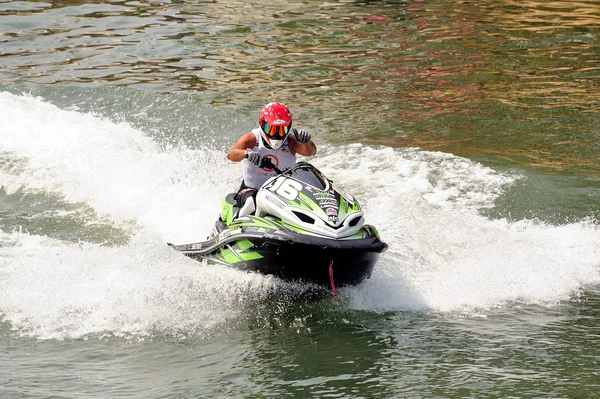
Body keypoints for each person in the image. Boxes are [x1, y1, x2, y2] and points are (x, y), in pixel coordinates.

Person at [226, 102, 317, 218]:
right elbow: (231, 154)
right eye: (272, 129)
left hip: (280, 193)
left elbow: (311, 152)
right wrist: (246, 153)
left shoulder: (291, 141)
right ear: (262, 125)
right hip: (251, 190)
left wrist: (305, 141)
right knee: (252, 202)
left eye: (282, 130)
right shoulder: (252, 138)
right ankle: (234, 225)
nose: (277, 134)